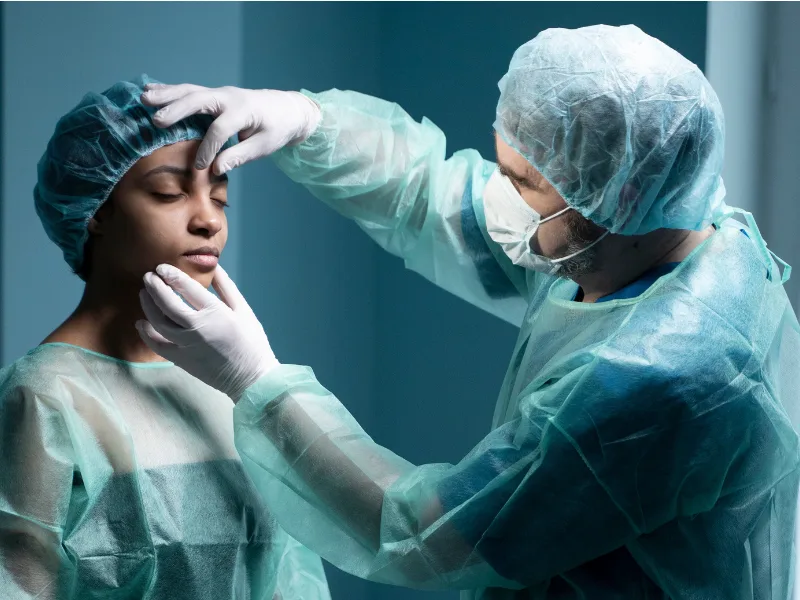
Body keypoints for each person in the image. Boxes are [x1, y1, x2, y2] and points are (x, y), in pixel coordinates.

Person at [139, 25, 800, 599]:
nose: (499, 195)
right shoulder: (664, 232)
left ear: (615, 194)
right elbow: (434, 198)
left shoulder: (664, 381)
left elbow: (426, 534)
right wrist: (306, 124)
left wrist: (257, 383)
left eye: (523, 183)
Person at [0, 75, 330, 600]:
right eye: (169, 193)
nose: (208, 222)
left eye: (221, 200)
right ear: (95, 213)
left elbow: (289, 573)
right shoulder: (41, 397)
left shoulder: (229, 381)